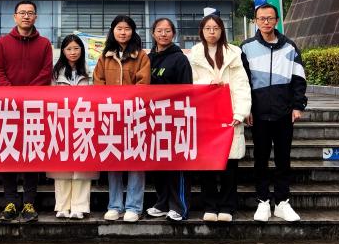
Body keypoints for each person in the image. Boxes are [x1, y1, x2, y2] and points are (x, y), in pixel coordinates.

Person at [241, 3, 307, 223]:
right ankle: (262, 201)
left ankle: (282, 202)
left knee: (282, 159)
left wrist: (298, 106)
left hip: (283, 113)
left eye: (270, 18)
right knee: (260, 159)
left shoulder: (289, 47)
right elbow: (242, 82)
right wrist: (247, 108)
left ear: (277, 20)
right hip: (258, 114)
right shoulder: (246, 48)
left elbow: (299, 79)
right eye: (261, 18)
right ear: (255, 21)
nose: (266, 22)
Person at [0, 0, 53, 223]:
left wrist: (27, 94)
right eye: (22, 12)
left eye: (30, 13)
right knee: (8, 152)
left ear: (35, 17)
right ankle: (10, 201)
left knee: (31, 153)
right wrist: (12, 94)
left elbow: (46, 72)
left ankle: (29, 202)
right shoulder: (3, 42)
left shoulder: (44, 44)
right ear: (15, 16)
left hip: (34, 107)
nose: (26, 16)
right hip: (8, 107)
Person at [189, 14, 251, 222]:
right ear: (202, 31)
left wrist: (240, 112)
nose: (212, 32)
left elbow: (242, 85)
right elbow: (190, 84)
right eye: (208, 28)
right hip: (206, 116)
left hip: (229, 114)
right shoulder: (195, 54)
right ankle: (210, 205)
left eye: (215, 28)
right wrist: (208, 85)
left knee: (230, 165)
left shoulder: (234, 53)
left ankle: (227, 206)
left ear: (222, 30)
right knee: (207, 164)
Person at [93, 15, 150, 222]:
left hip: (134, 116)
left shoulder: (141, 56)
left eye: (127, 28)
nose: (123, 32)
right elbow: (98, 82)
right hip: (111, 117)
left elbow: (143, 84)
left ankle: (134, 206)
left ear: (133, 32)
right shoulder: (105, 56)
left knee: (136, 160)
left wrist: (127, 102)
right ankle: (115, 205)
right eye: (119, 28)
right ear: (113, 31)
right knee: (113, 158)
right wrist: (112, 104)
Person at [145, 18, 194, 221]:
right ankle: (162, 203)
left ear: (173, 34)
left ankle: (179, 206)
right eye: (159, 30)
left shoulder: (180, 59)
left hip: (174, 119)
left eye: (167, 31)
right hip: (152, 120)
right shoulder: (147, 59)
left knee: (176, 165)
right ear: (153, 33)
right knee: (158, 164)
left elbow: (186, 90)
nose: (163, 34)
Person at [47, 34, 96, 219]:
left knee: (82, 165)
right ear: (63, 51)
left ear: (82, 50)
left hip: (84, 122)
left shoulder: (90, 71)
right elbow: (50, 98)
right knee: (62, 165)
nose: (73, 52)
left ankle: (79, 206)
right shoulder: (55, 73)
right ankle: (62, 206)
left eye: (76, 48)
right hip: (62, 122)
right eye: (69, 49)